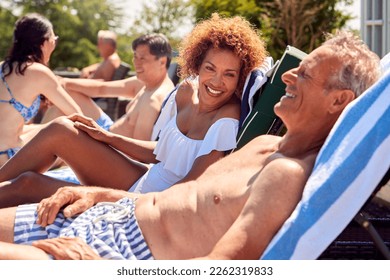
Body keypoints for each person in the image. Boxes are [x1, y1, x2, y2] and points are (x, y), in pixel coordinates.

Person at [0, 30, 381, 260]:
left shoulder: (285, 176)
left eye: (306, 73)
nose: (289, 75)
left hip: (122, 252)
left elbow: (222, 267)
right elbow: (172, 197)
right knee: (38, 172)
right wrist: (101, 195)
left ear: (339, 101)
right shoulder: (264, 145)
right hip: (112, 215)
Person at [0, 13, 268, 207]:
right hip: (143, 178)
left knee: (29, 184)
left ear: (240, 78)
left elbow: (185, 193)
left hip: (150, 204)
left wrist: (104, 196)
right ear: (198, 64)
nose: (217, 82)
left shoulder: (226, 120)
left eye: (229, 75)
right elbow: (159, 152)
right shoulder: (186, 93)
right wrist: (109, 138)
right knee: (61, 128)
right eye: (210, 69)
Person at [0, 13, 83, 167]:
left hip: (4, 151)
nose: (54, 44)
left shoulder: (2, 67)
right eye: (54, 39)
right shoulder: (37, 71)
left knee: (38, 128)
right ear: (44, 42)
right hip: (9, 161)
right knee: (69, 136)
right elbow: (77, 115)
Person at [56, 33, 175, 140]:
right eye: (135, 56)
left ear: (162, 62)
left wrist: (101, 138)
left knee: (60, 116)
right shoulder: (145, 83)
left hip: (110, 144)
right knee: (65, 92)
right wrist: (63, 82)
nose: (136, 62)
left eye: (142, 58)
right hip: (108, 129)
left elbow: (139, 153)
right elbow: (101, 88)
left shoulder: (152, 101)